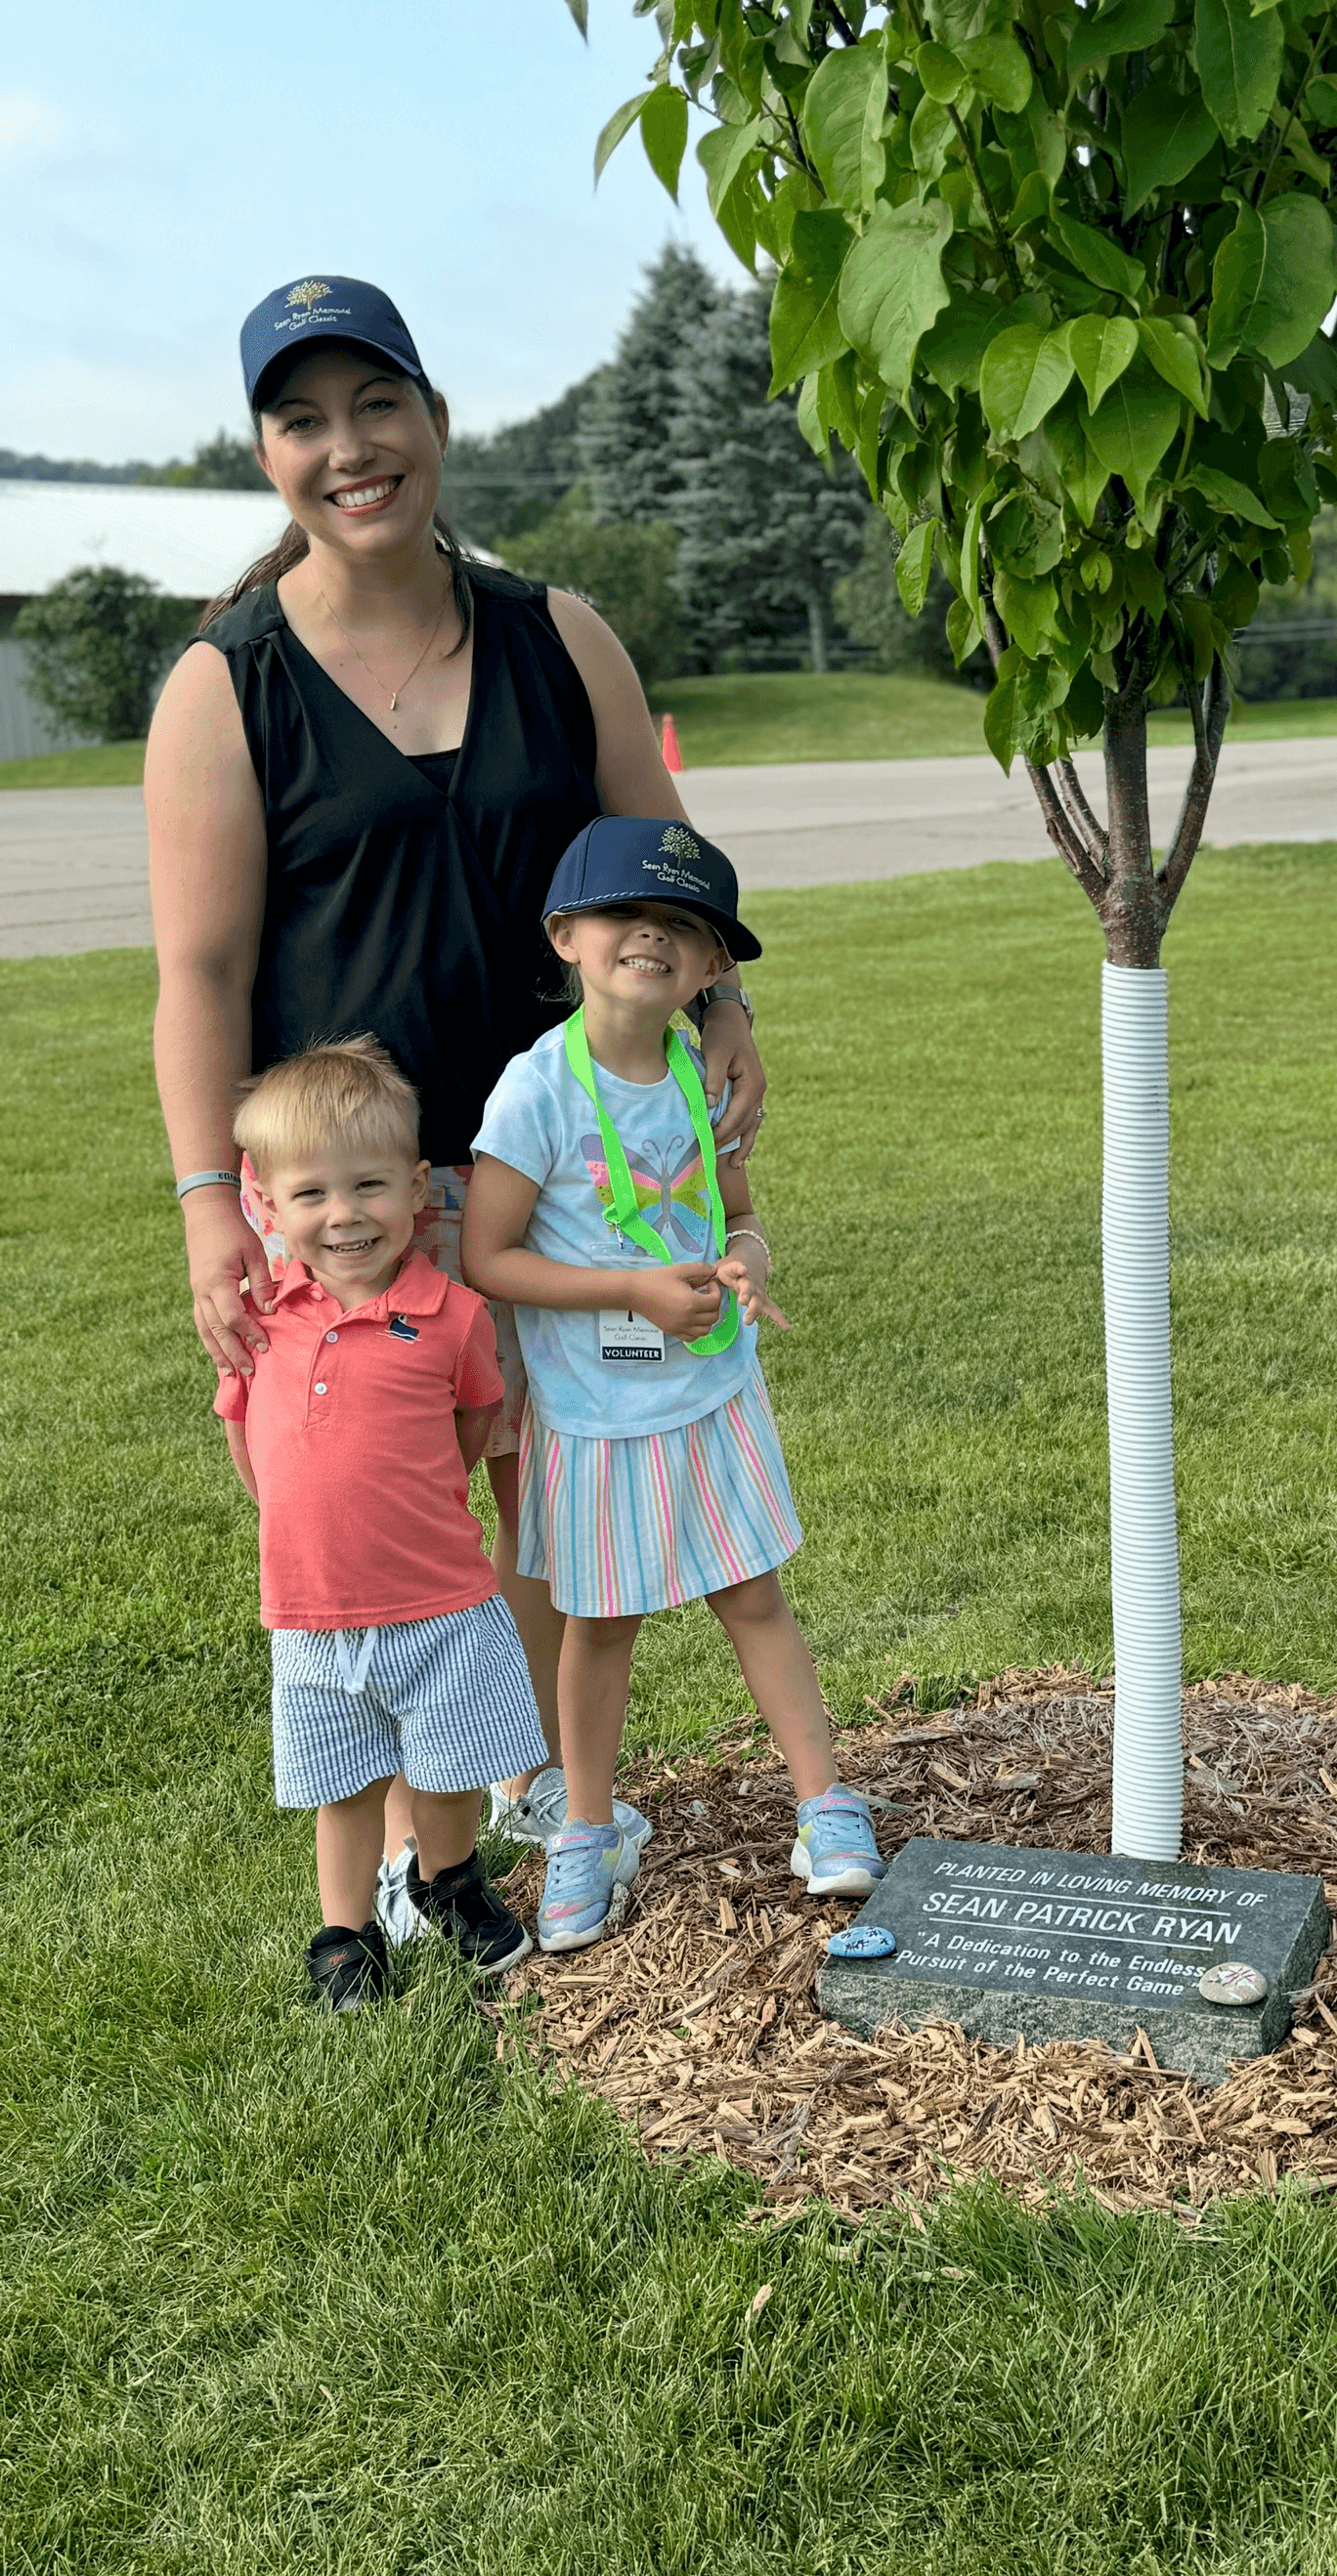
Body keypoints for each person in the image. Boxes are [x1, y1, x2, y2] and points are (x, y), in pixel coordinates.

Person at [147, 273, 765, 1865]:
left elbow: (664, 864)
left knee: (554, 1507)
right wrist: (214, 1206)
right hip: (354, 1193)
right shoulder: (230, 688)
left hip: (569, 1164)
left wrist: (725, 1012)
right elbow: (201, 978)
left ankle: (550, 1797)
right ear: (269, 456)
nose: (348, 447)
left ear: (434, 419)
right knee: (399, 1534)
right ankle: (430, 1853)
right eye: (304, 420)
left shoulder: (560, 638)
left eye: (377, 407)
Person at [461, 815, 880, 1952]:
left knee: (754, 1595)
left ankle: (824, 1805)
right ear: (565, 937)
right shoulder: (536, 1091)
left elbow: (742, 1221)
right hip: (595, 1420)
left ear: (709, 972)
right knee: (602, 1624)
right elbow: (486, 1257)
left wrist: (745, 1265)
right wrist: (633, 1292)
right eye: (624, 914)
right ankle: (584, 1834)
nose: (654, 935)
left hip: (711, 1400)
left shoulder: (705, 1074)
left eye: (685, 928)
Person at [215, 1039, 546, 2011]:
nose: (344, 1214)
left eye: (368, 1186)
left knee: (449, 1771)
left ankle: (448, 1879)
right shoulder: (265, 1326)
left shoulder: (452, 1315)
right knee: (346, 1785)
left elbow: (473, 1423)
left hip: (439, 1603)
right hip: (314, 1615)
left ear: (416, 1192)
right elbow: (251, 1445)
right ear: (269, 1210)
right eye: (311, 1195)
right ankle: (346, 1934)